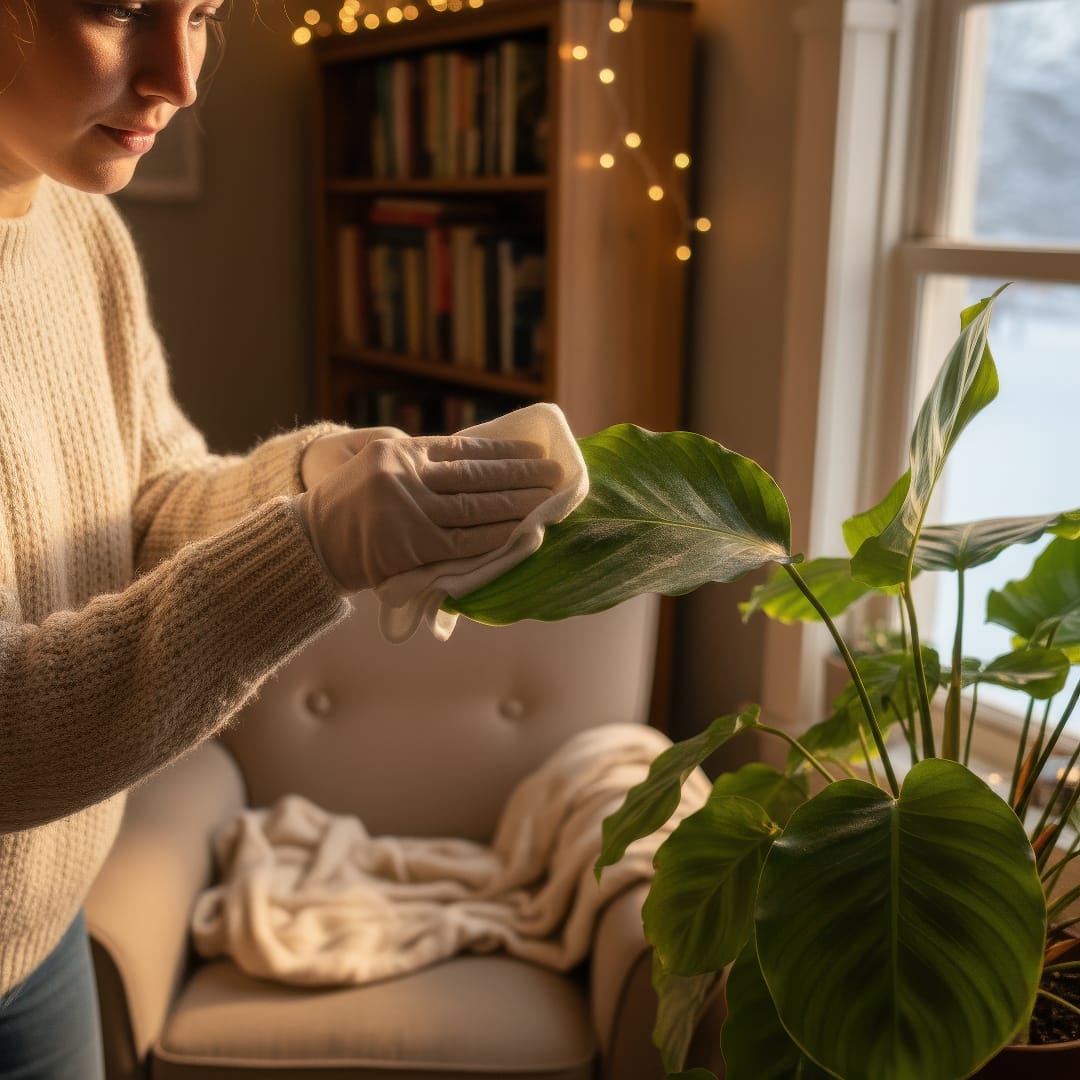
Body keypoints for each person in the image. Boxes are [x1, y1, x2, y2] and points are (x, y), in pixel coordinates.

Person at [0, 0, 563, 1074]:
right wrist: (312, 552)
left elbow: (154, 499)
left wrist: (310, 475)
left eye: (203, 14)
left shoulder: (81, 230)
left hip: (41, 938)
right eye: (119, 10)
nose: (182, 76)